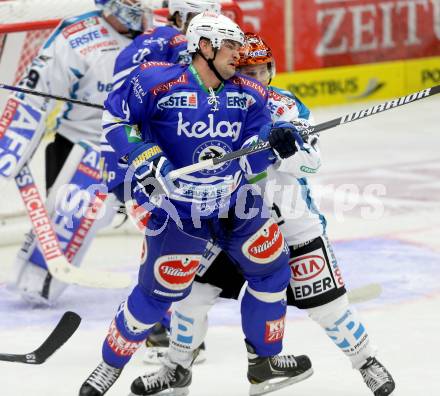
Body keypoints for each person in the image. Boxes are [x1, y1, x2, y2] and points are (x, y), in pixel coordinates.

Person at [135, 33, 396, 396]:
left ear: (271, 70)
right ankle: (176, 367)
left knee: (329, 307)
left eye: (262, 70)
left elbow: (311, 163)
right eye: (247, 70)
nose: (255, 78)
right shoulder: (212, 105)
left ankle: (367, 361)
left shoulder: (287, 107)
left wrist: (288, 150)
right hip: (228, 221)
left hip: (292, 224)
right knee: (192, 298)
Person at [79, 13, 314, 396]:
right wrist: (144, 155)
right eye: (232, 47)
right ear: (205, 46)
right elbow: (114, 120)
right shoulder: (154, 80)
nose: (239, 56)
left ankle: (263, 360)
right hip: (179, 212)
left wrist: (277, 141)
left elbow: (254, 162)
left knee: (272, 271)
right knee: (155, 298)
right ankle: (109, 366)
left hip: (238, 205)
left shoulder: (249, 94)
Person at [0, 0, 158, 305]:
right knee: (38, 282)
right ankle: (37, 295)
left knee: (183, 219)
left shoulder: (160, 36)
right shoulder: (77, 36)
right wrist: (12, 145)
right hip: (84, 153)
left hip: (141, 148)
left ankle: (197, 280)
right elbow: (33, 94)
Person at [102, 0, 223, 364]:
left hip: (172, 168)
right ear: (180, 18)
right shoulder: (161, 44)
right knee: (168, 244)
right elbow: (117, 114)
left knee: (175, 244)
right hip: (146, 167)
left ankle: (165, 327)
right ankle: (158, 332)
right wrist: (122, 170)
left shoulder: (186, 48)